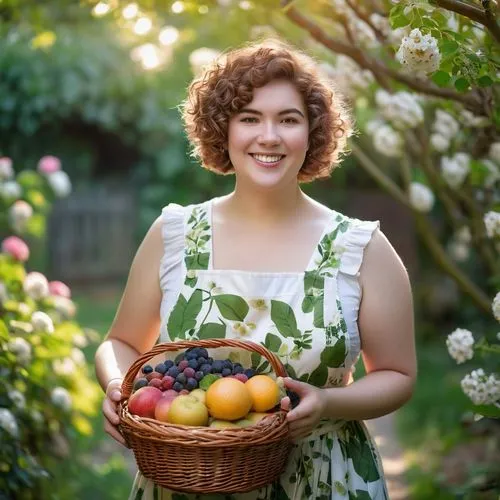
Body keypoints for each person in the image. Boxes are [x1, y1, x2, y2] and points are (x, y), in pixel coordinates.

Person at [94, 38, 416, 500]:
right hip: (189, 480)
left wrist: (329, 401)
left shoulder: (360, 248)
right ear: (222, 130)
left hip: (324, 478)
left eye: (288, 119)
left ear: (313, 132)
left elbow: (398, 375)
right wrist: (116, 388)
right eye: (249, 118)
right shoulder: (175, 234)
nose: (269, 136)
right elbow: (121, 341)